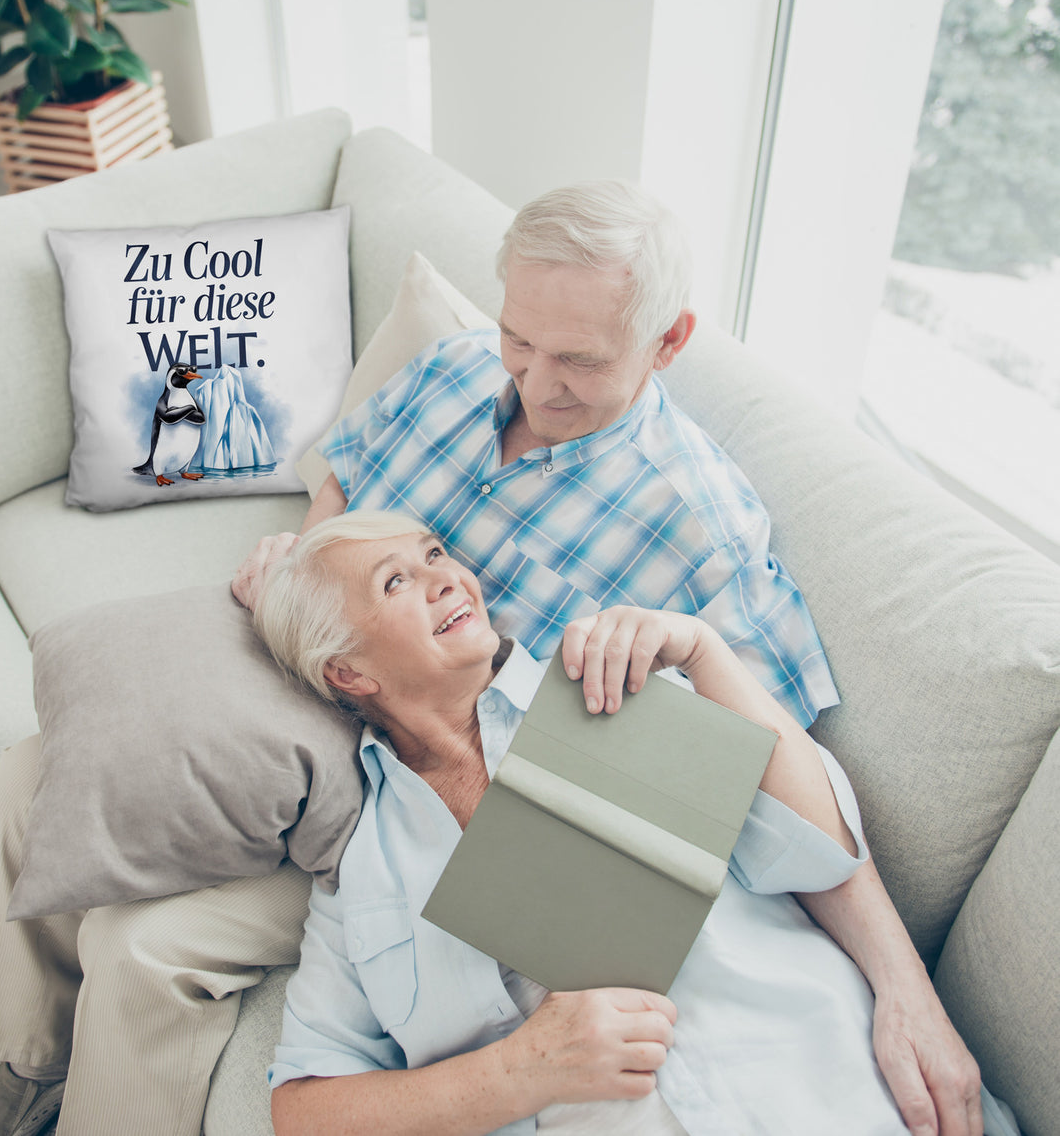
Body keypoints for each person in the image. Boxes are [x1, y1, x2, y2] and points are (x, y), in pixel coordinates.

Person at [235, 181, 982, 1135]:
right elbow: (346, 473)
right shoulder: (454, 372)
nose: (535, 384)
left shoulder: (676, 584)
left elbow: (791, 808)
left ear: (668, 342)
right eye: (520, 340)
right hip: (337, 757)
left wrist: (904, 990)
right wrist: (307, 580)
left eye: (578, 360)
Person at [253, 511, 1006, 1136]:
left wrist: (705, 652)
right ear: (348, 672)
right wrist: (520, 1071)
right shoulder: (362, 873)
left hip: (830, 1088)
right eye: (396, 581)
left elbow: (818, 851)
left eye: (435, 554)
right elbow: (304, 1110)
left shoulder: (608, 684)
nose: (447, 577)